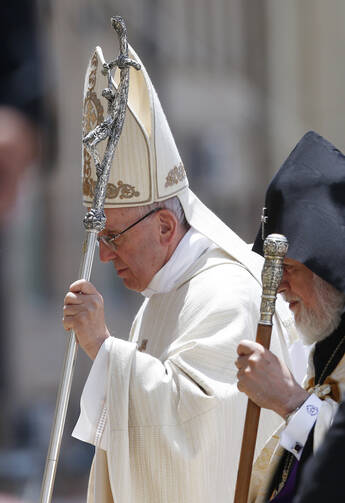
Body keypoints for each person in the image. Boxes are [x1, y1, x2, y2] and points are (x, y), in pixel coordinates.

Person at [63, 43, 298, 503]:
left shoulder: (226, 293)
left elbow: (199, 442)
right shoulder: (163, 294)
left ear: (167, 226)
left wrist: (103, 348)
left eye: (114, 237)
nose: (106, 257)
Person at [235, 131, 345, 502]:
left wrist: (290, 400)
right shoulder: (328, 346)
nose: (279, 286)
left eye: (291, 269)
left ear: (328, 268)